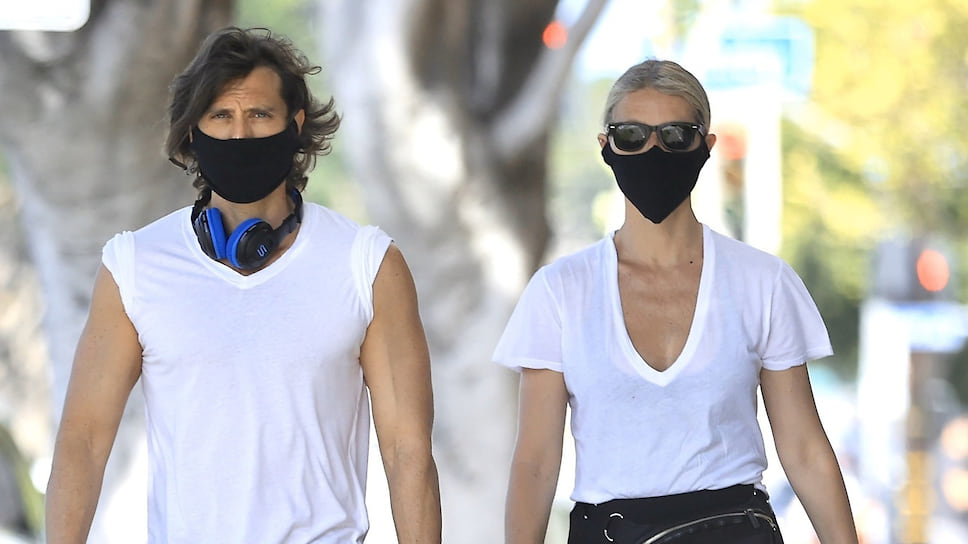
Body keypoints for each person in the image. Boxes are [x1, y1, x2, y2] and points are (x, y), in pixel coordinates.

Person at [45, 27, 441, 543]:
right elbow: (83, 442)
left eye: (259, 114)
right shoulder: (135, 266)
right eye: (220, 116)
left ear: (295, 124)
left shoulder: (367, 264)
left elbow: (408, 451)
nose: (239, 135)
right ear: (192, 132)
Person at [494, 59, 858, 544]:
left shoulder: (762, 281)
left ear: (706, 146)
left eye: (675, 136)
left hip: (734, 530)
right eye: (631, 136)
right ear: (606, 147)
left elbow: (805, 449)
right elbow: (536, 463)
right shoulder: (560, 291)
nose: (653, 150)